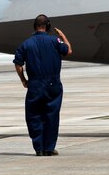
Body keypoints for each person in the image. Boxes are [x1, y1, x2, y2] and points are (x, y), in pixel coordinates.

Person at [13, 14, 72, 156]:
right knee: (51, 115)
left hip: (35, 84)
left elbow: (18, 64)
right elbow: (68, 50)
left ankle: (38, 148)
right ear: (48, 26)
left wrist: (23, 79)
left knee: (34, 115)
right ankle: (49, 148)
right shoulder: (55, 40)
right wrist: (63, 36)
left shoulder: (26, 44)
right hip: (53, 83)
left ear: (35, 26)